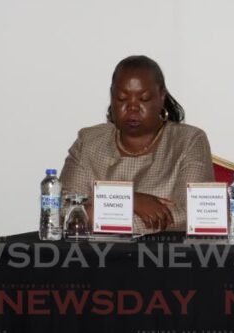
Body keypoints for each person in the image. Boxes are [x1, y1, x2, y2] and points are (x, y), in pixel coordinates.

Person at [60, 55, 214, 234]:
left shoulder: (189, 141)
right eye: (122, 98)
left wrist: (97, 216)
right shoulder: (89, 141)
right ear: (111, 96)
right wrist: (130, 200)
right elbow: (62, 209)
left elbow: (192, 214)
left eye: (144, 98)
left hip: (164, 256)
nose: (132, 107)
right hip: (94, 256)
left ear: (161, 96)